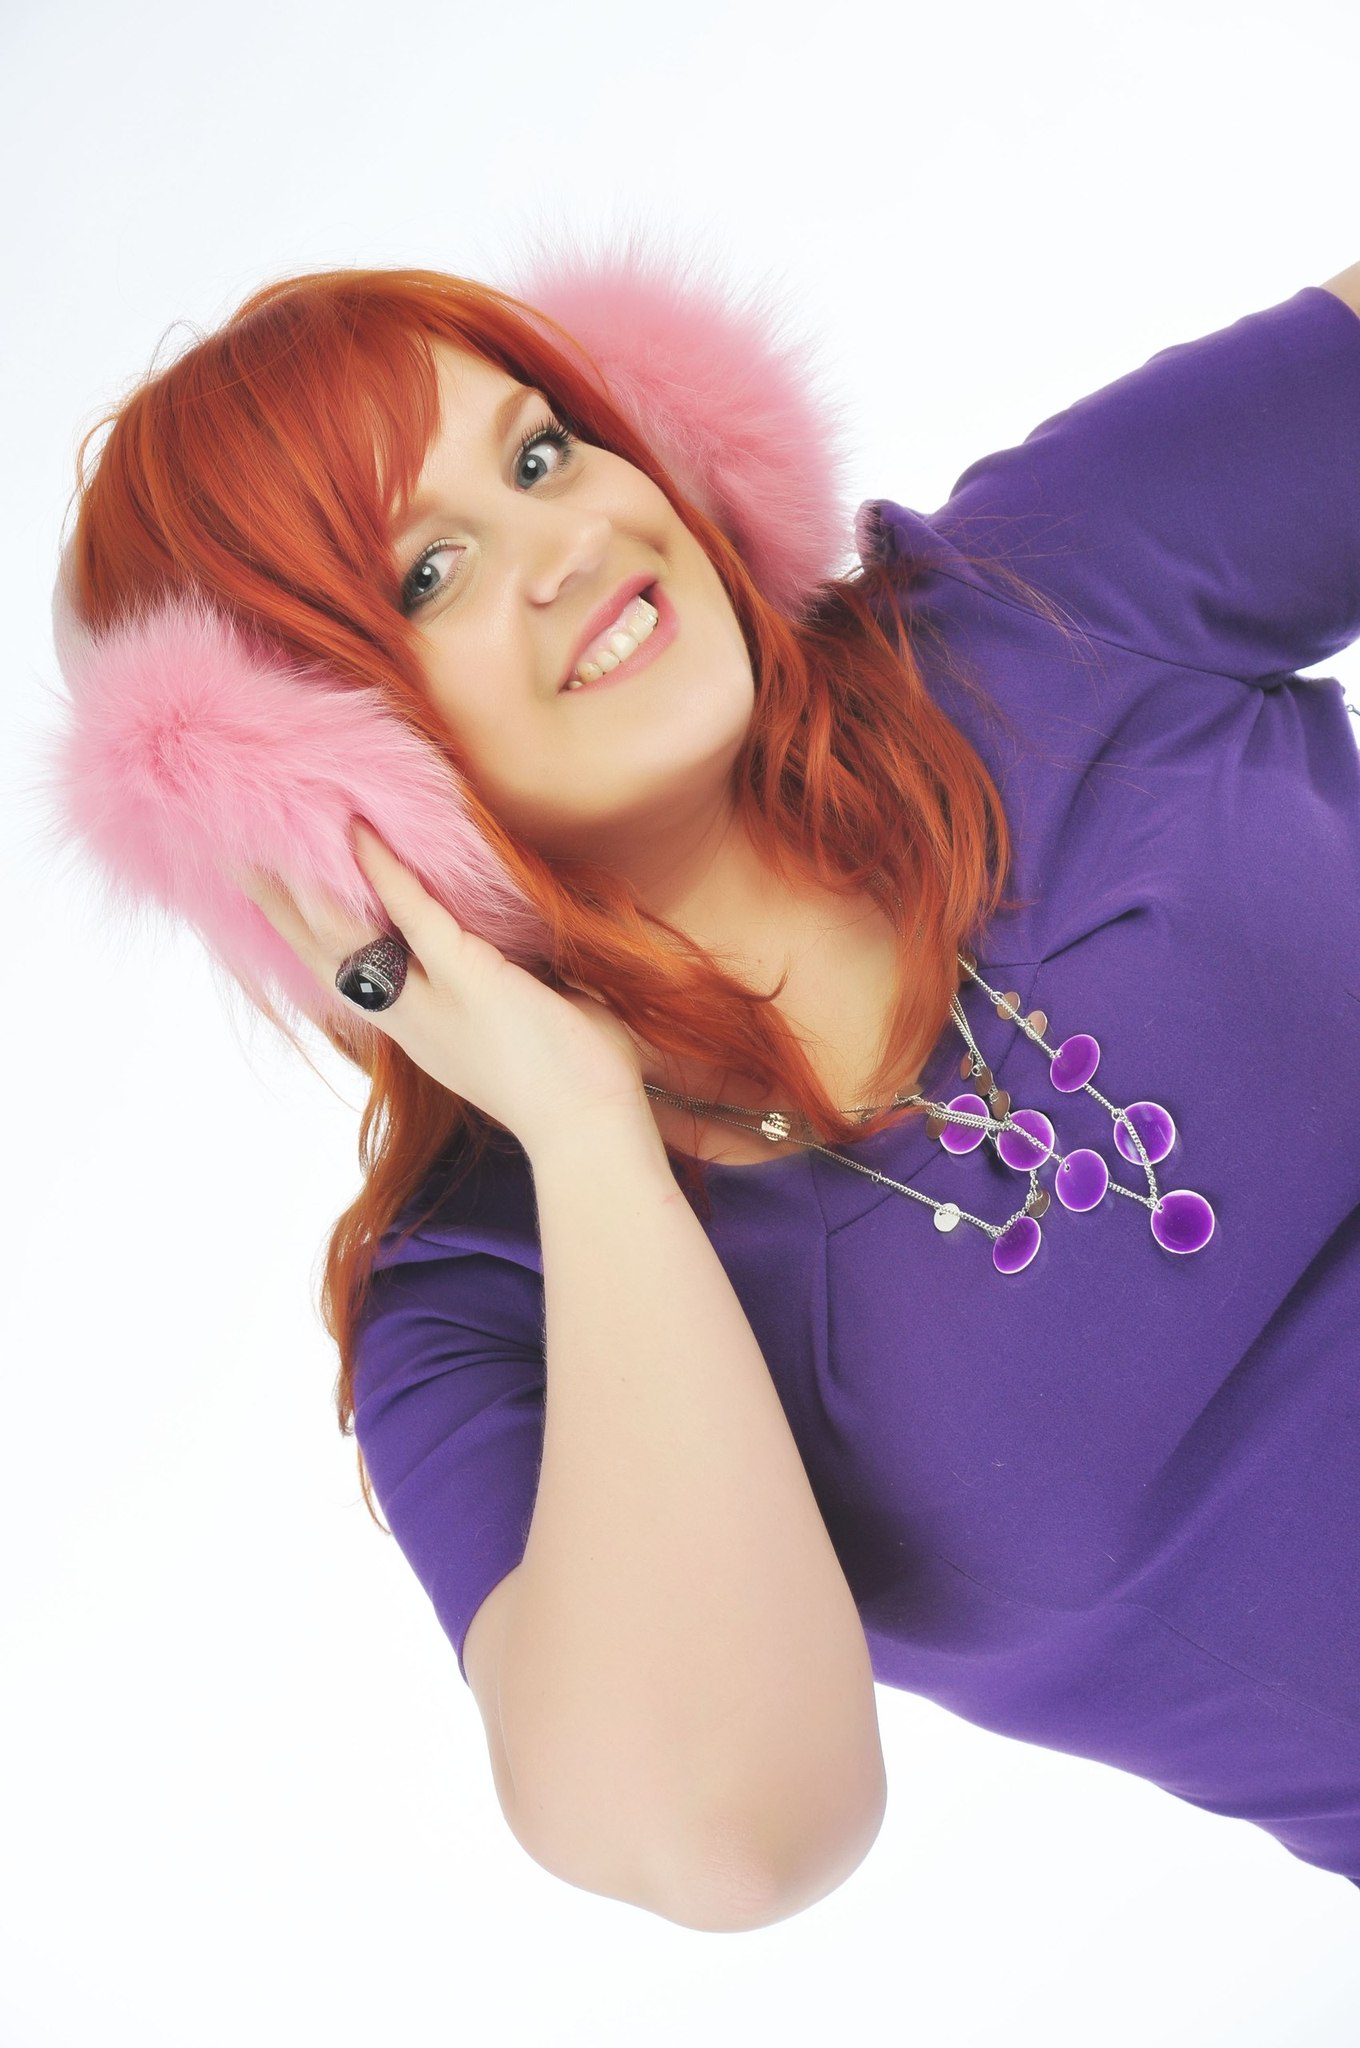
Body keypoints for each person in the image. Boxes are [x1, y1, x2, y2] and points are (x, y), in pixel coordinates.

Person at [41, 243, 1360, 1929]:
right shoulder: (484, 1301)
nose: (569, 544)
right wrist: (586, 1131)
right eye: (428, 574)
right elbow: (740, 1836)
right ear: (305, 782)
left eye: (541, 454)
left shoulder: (1035, 603)